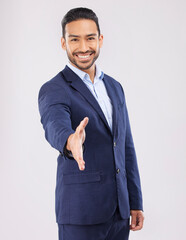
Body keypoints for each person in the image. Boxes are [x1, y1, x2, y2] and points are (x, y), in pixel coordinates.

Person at [38, 7, 144, 240]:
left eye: (90, 38)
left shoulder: (115, 87)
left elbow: (126, 146)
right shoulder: (54, 89)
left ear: (100, 40)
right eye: (74, 39)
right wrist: (70, 140)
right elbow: (54, 123)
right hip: (81, 213)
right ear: (64, 43)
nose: (84, 47)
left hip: (119, 213)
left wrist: (135, 201)